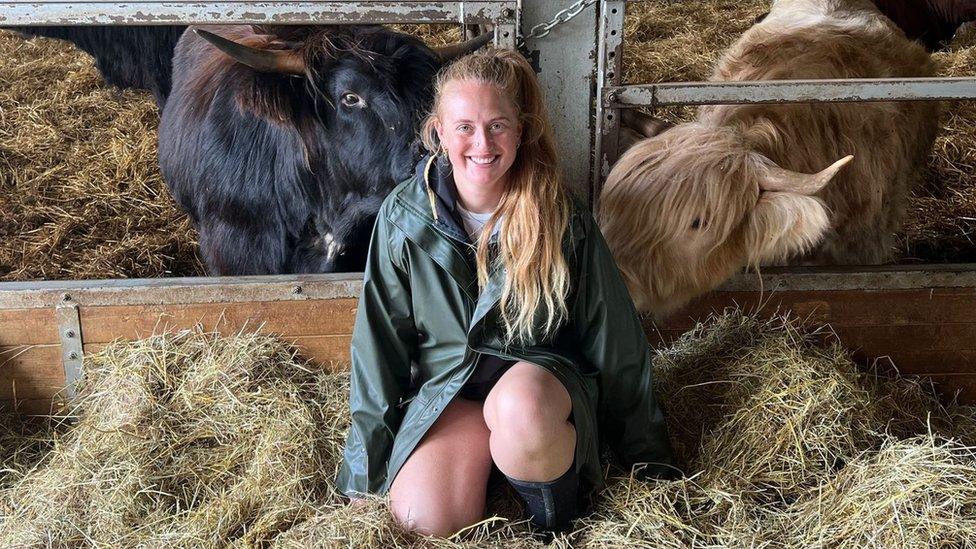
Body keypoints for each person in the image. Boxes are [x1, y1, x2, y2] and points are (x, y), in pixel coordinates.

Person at [336, 48, 674, 538]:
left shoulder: (558, 214)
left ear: (521, 130)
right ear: (438, 132)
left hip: (538, 388)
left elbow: (613, 336)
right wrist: (363, 469)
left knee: (520, 408)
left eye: (497, 125)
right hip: (452, 392)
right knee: (421, 520)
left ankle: (554, 524)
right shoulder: (403, 217)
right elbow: (379, 344)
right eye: (465, 127)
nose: (482, 144)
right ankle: (488, 471)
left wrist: (650, 457)